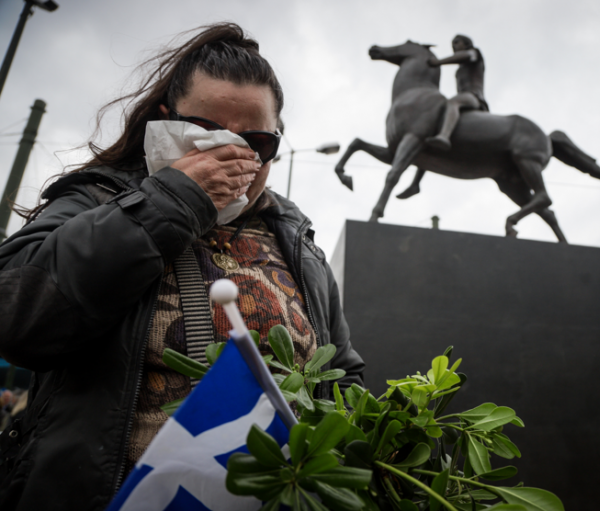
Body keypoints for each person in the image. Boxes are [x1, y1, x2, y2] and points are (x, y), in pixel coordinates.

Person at [0, 23, 364, 510]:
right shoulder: (96, 200)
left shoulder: (296, 240)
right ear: (165, 122)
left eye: (257, 142)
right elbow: (16, 312)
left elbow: (341, 375)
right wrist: (177, 198)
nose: (235, 154)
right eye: (207, 134)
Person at [425, 34, 489, 151]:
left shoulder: (474, 53)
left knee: (453, 102)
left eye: (457, 42)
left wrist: (438, 62)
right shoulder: (460, 69)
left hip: (474, 97)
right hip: (465, 96)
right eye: (452, 44)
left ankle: (444, 136)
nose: (454, 46)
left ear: (466, 44)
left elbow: (465, 56)